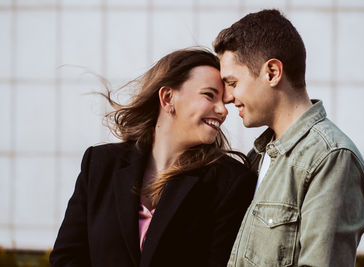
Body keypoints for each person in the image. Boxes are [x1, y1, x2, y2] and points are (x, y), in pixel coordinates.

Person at [49, 48, 257, 267]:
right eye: (209, 95)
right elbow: (66, 259)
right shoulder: (101, 164)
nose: (223, 110)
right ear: (167, 98)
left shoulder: (230, 182)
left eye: (224, 101)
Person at [213, 9, 364, 266]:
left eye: (232, 82)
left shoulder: (331, 158)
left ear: (272, 72)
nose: (227, 97)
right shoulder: (259, 156)